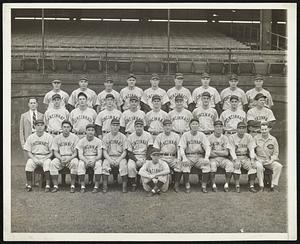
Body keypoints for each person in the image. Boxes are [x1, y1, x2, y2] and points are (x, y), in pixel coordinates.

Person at [228, 122, 264, 193]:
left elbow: (251, 149)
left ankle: (251, 186)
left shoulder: (248, 136)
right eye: (240, 128)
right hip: (236, 157)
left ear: (245, 129)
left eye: (243, 128)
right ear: (237, 129)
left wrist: (252, 160)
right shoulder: (232, 137)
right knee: (236, 166)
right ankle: (237, 186)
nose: (241, 130)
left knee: (252, 166)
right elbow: (231, 150)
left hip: (244, 157)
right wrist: (235, 160)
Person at [69, 92, 97, 185]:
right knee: (78, 156)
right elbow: (70, 125)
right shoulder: (73, 112)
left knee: (89, 154)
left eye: (83, 99)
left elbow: (95, 125)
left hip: (88, 135)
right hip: (76, 135)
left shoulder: (92, 111)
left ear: (87, 100)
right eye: (80, 99)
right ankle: (77, 178)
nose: (82, 101)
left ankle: (90, 179)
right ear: (77, 101)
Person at [178, 118, 211, 193]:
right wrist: (184, 158)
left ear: (199, 125)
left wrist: (206, 158)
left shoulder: (202, 135)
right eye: (193, 124)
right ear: (190, 125)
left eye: (196, 124)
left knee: (206, 165)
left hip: (199, 156)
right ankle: (187, 185)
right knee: (185, 165)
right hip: (189, 156)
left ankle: (204, 186)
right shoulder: (185, 135)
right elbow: (181, 147)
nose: (195, 125)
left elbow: (207, 146)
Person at [23, 119, 53, 192]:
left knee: (47, 164)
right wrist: (34, 159)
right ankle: (29, 185)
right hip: (35, 156)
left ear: (44, 126)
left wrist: (44, 159)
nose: (40, 127)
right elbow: (28, 151)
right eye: (38, 125)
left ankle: (48, 185)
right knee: (29, 164)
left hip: (46, 156)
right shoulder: (31, 137)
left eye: (41, 125)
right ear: (35, 127)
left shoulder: (49, 137)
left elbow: (52, 152)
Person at [50, 120, 79, 193]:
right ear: (61, 128)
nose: (66, 129)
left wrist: (69, 158)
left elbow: (76, 153)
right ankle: (55, 186)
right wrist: (60, 158)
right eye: (64, 127)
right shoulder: (57, 138)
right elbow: (55, 152)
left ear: (71, 128)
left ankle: (72, 185)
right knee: (53, 163)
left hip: (71, 157)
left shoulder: (75, 137)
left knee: (75, 163)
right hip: (60, 157)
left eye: (68, 127)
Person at [153, 119, 182, 192]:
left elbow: (179, 148)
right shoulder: (159, 136)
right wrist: (158, 160)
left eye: (169, 125)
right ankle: (161, 184)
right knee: (161, 168)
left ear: (171, 127)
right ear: (163, 127)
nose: (167, 127)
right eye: (165, 126)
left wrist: (178, 159)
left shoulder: (176, 136)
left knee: (179, 165)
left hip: (172, 157)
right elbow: (156, 149)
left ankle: (176, 185)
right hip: (162, 157)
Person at [254, 122, 283, 192]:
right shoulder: (256, 138)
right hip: (259, 160)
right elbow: (252, 151)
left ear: (268, 129)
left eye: (265, 129)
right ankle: (261, 186)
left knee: (279, 166)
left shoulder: (273, 139)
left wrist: (271, 160)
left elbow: (276, 153)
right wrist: (257, 159)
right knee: (259, 167)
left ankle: (273, 186)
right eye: (262, 129)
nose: (264, 131)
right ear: (260, 130)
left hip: (269, 161)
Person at [208, 120, 235, 192]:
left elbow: (226, 153)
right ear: (214, 128)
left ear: (222, 128)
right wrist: (220, 152)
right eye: (217, 127)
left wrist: (215, 152)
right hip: (213, 159)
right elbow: (209, 153)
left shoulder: (225, 138)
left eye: (220, 127)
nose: (218, 128)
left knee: (230, 164)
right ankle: (213, 184)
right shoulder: (210, 138)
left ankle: (227, 184)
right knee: (212, 165)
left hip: (223, 159)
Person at [102, 119, 128, 193]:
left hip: (120, 156)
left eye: (117, 125)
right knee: (105, 164)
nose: (115, 127)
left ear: (119, 127)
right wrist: (110, 160)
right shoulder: (106, 137)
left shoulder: (123, 137)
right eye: (113, 125)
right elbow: (104, 151)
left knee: (123, 165)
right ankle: (105, 186)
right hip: (109, 156)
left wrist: (118, 160)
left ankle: (124, 186)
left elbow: (125, 151)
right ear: (110, 126)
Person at [127, 119, 153, 191]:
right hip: (134, 156)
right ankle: (133, 183)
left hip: (145, 155)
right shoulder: (130, 137)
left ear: (143, 127)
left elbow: (150, 149)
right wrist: (136, 160)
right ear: (134, 127)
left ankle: (149, 183)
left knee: (148, 166)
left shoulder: (148, 135)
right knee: (130, 166)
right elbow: (129, 152)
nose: (139, 128)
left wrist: (146, 159)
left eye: (140, 126)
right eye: (137, 126)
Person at [76, 124, 103, 193]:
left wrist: (94, 160)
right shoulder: (81, 141)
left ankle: (96, 186)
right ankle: (82, 186)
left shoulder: (98, 141)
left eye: (92, 130)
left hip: (95, 157)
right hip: (85, 157)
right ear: (86, 131)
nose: (90, 132)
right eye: (88, 130)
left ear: (94, 132)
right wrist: (85, 160)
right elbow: (80, 155)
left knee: (98, 165)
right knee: (81, 164)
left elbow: (99, 155)